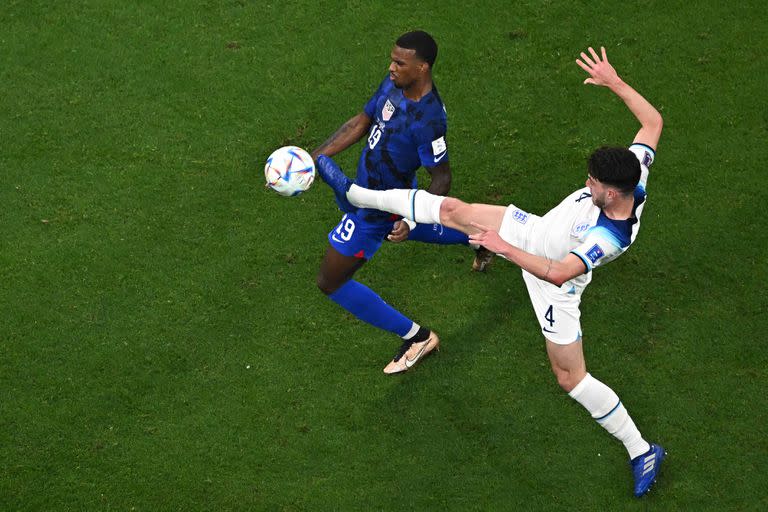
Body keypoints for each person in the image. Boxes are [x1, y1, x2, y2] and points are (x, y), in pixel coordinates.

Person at [315, 46, 665, 497]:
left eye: (593, 184)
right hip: (533, 230)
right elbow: (652, 123)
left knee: (569, 377)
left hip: (552, 282)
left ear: (613, 193)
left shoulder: (609, 237)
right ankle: (359, 195)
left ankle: (642, 449)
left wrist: (502, 247)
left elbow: (557, 272)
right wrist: (614, 81)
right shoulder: (635, 172)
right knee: (456, 211)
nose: (586, 185)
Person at [311, 30, 478, 374]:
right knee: (397, 230)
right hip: (368, 189)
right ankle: (481, 238)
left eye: (400, 63)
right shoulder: (394, 86)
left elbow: (442, 178)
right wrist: (313, 158)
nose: (391, 67)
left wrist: (413, 219)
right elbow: (360, 121)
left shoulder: (430, 120)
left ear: (422, 67)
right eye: (392, 59)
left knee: (330, 281)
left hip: (379, 207)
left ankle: (418, 338)